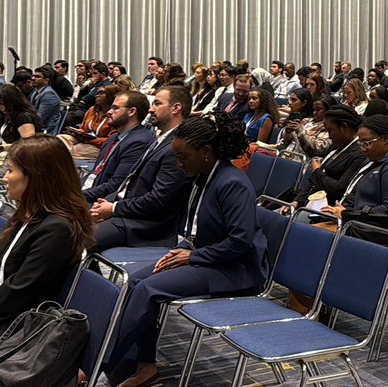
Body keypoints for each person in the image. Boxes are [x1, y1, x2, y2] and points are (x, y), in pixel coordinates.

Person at [105, 112, 268, 387]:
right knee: (134, 280)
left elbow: (240, 242)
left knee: (148, 289)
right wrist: (184, 251)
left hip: (236, 269)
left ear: (206, 151)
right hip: (207, 256)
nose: (179, 164)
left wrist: (192, 255)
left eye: (184, 157)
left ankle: (102, 361)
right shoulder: (202, 176)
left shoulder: (232, 183)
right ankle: (143, 367)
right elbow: (198, 229)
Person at [0, 136, 93, 382]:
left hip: (13, 332)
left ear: (35, 177)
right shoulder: (29, 214)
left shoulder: (57, 229)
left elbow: (20, 292)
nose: (5, 177)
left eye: (11, 170)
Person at [89, 85, 192, 250]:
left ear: (176, 108)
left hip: (144, 225)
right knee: (64, 224)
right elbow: (129, 184)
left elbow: (159, 200)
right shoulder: (161, 139)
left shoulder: (177, 147)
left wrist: (114, 208)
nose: (151, 109)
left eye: (157, 104)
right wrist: (105, 204)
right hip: (126, 210)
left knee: (74, 238)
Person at [320, 115, 388, 225]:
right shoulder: (373, 159)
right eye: (360, 143)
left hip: (368, 228)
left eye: (367, 143)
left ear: (385, 139)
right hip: (351, 219)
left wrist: (348, 214)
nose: (363, 149)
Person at [83, 92, 156, 205]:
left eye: (115, 108)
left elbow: (116, 185)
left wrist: (78, 196)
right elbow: (95, 172)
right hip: (91, 190)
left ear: (132, 112)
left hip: (104, 203)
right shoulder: (113, 138)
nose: (109, 112)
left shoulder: (139, 142)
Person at [291, 106, 365, 210]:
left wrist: (317, 171)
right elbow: (313, 180)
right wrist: (297, 201)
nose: (329, 136)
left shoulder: (360, 153)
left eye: (330, 130)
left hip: (328, 208)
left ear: (344, 127)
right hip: (308, 201)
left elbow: (338, 189)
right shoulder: (335, 145)